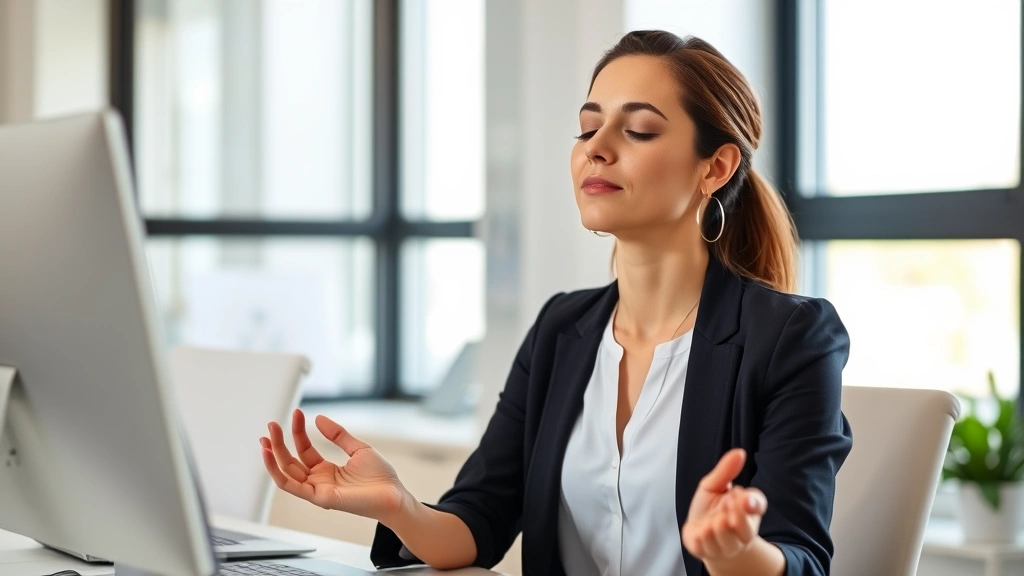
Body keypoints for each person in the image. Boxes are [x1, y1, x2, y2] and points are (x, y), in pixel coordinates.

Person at [260, 30, 852, 576]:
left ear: (715, 167)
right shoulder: (562, 328)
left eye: (638, 130)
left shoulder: (790, 338)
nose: (597, 148)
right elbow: (480, 521)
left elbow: (800, 556)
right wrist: (398, 505)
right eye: (588, 128)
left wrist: (735, 553)